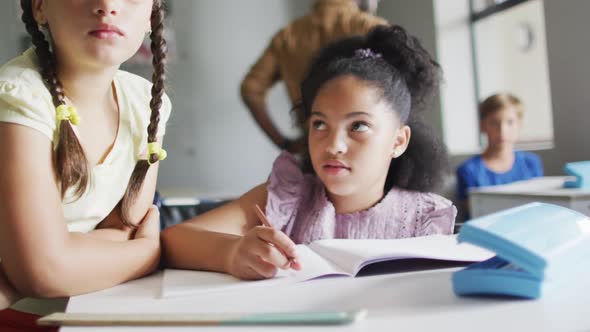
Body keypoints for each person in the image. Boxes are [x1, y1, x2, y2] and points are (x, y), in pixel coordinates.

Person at [163, 25, 456, 281]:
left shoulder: (426, 219)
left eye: (358, 126)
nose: (333, 145)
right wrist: (231, 253)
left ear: (398, 141)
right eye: (319, 124)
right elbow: (174, 240)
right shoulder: (285, 199)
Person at [0, 0, 172, 328]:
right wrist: (147, 252)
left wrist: (57, 256)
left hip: (94, 310)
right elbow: (43, 273)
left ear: (151, 14)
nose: (107, 4)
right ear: (39, 7)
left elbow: (124, 227)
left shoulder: (147, 103)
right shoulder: (19, 96)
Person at [240, 0, 387, 153]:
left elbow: (250, 89)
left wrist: (284, 144)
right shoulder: (373, 29)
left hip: (313, 151)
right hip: (365, 153)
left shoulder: (287, 36)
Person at [456, 93, 543, 215]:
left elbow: (539, 208)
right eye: (494, 123)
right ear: (482, 126)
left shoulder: (531, 163)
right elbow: (476, 213)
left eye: (510, 122)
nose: (502, 130)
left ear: (519, 125)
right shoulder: (469, 171)